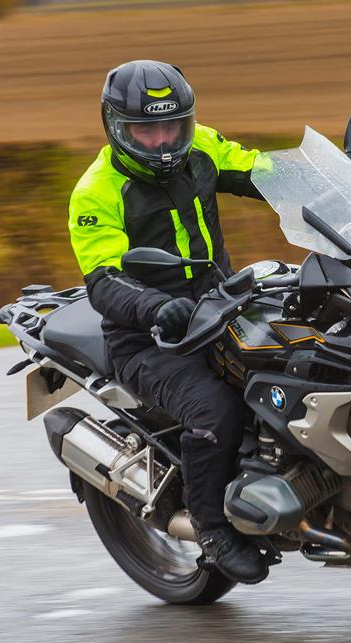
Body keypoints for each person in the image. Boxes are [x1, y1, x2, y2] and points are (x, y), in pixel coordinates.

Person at [67, 60, 268, 584]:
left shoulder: (200, 145)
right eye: (145, 130)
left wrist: (347, 187)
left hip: (221, 308)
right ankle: (213, 529)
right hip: (148, 336)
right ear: (115, 127)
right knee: (215, 410)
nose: (161, 142)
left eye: (171, 128)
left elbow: (264, 171)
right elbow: (105, 280)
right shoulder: (96, 192)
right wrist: (157, 306)